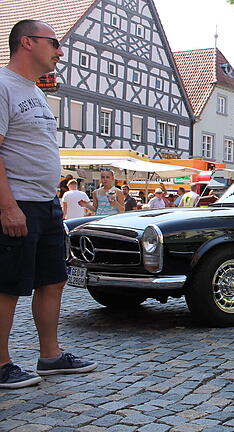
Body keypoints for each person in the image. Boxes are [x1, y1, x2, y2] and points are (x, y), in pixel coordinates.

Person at [0, 19, 97, 389]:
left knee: (53, 280)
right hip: (17, 202)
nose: (60, 50)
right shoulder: (3, 85)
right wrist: (7, 206)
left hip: (45, 203)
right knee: (7, 285)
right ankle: (1, 363)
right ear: (26, 42)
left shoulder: (37, 91)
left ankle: (50, 356)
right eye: (54, 42)